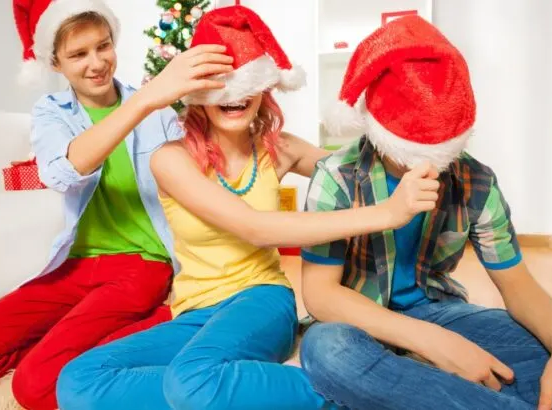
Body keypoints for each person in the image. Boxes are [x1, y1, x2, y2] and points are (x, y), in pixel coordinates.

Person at [55, 5, 440, 410]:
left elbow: (356, 171)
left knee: (193, 380)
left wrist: (404, 131)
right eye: (221, 85)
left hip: (262, 299)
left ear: (264, 86)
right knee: (78, 381)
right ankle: (241, 390)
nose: (234, 96)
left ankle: (341, 394)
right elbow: (254, 226)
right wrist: (385, 214)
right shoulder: (170, 159)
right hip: (194, 310)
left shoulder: (281, 148)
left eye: (244, 84)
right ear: (198, 94)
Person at [298, 15, 552, 410]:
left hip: (439, 311)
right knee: (327, 351)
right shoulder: (335, 177)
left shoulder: (475, 181)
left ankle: (423, 393)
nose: (424, 166)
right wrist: (435, 344)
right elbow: (321, 296)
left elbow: (517, 284)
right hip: (359, 324)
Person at [0, 0, 234, 409]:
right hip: (75, 265)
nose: (97, 63)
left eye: (103, 46)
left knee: (35, 388)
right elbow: (61, 172)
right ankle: (66, 345)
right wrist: (144, 101)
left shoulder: (159, 113)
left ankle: (165, 319)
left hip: (142, 264)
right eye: (79, 54)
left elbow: (195, 185)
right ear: (56, 63)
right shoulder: (52, 112)